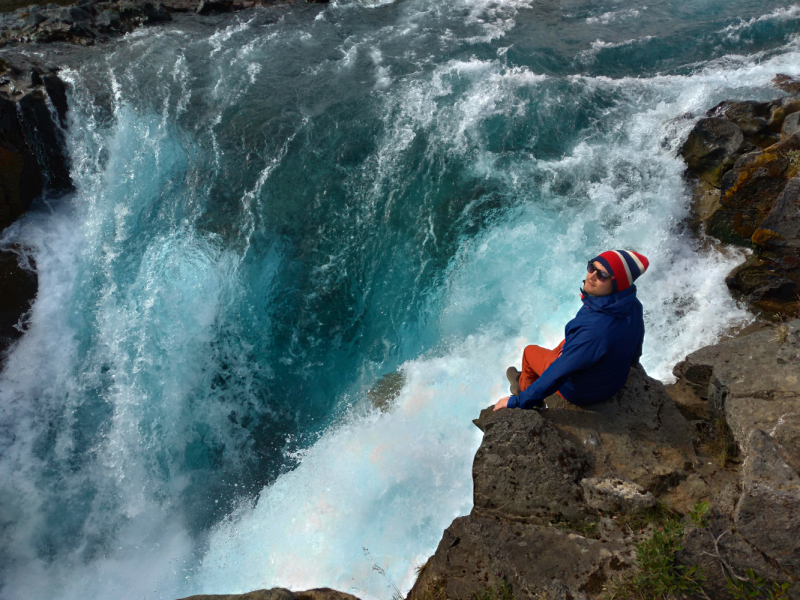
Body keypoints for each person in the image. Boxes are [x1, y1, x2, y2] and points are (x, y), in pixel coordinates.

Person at [494, 250, 649, 411]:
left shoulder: (596, 331)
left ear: (618, 284)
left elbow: (561, 372)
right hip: (613, 381)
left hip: (583, 392)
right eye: (591, 267)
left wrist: (519, 402)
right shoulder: (630, 304)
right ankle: (539, 373)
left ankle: (523, 389)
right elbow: (637, 337)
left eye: (602, 275)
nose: (591, 276)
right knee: (568, 344)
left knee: (529, 352)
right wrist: (632, 363)